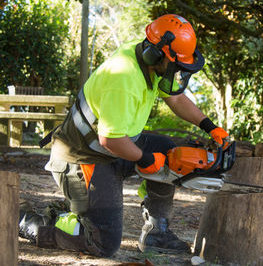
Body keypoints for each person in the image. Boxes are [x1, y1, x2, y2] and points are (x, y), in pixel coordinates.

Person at [19, 14, 229, 256]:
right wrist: (145, 159)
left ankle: (156, 232)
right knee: (102, 242)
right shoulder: (124, 77)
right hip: (83, 157)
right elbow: (110, 139)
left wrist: (209, 126)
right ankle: (33, 222)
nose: (178, 72)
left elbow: (176, 98)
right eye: (176, 65)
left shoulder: (150, 61)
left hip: (115, 144)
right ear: (157, 55)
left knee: (170, 152)